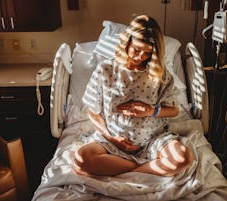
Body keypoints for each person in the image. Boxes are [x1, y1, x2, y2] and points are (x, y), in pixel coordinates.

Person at [74, 15, 194, 177]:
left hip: (153, 140)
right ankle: (150, 168)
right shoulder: (106, 70)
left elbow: (174, 111)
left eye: (147, 53)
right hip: (112, 142)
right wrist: (112, 138)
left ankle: (126, 170)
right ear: (127, 42)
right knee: (81, 159)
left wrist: (150, 111)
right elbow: (93, 112)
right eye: (137, 50)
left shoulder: (159, 74)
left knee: (183, 159)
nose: (140, 57)